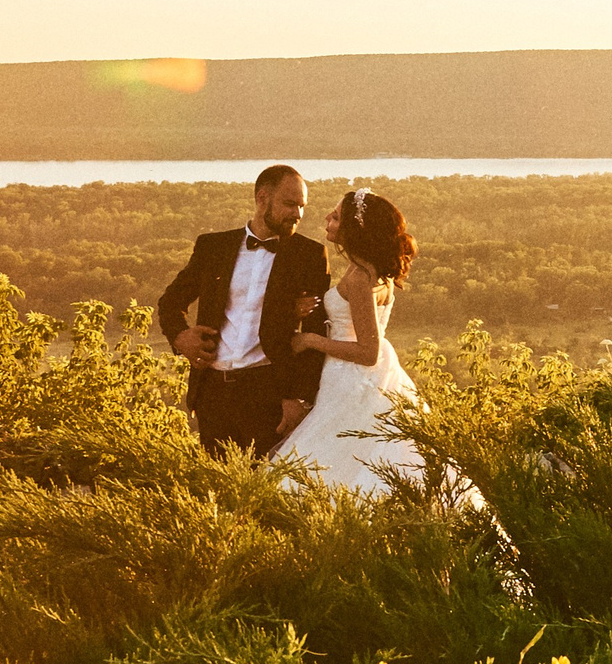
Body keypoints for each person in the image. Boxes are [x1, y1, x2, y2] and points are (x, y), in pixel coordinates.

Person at [156, 165, 333, 455]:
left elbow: (315, 332)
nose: (298, 214)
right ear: (262, 198)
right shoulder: (213, 247)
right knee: (216, 487)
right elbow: (170, 301)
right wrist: (180, 337)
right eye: (290, 204)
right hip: (211, 392)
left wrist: (300, 398)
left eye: (302, 206)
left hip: (268, 393)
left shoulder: (309, 255)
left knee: (266, 487)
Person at [274, 187, 431, 492]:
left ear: (354, 230)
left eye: (335, 217)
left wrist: (308, 340)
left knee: (331, 457)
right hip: (373, 375)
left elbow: (368, 351)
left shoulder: (360, 277)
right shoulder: (375, 271)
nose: (327, 219)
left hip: (352, 375)